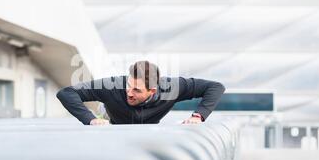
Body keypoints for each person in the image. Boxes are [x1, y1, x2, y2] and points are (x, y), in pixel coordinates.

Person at [56, 60, 225, 125]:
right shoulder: (112, 85)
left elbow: (216, 87)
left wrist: (198, 116)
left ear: (152, 90)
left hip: (148, 126)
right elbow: (66, 93)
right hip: (111, 118)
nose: (129, 92)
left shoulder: (171, 88)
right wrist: (90, 119)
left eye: (136, 90)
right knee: (103, 112)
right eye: (129, 86)